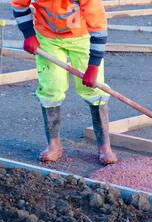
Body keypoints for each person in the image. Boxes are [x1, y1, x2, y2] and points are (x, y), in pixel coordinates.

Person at [11, 0, 118, 165]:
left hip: (80, 36)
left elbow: (98, 27)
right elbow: (19, 4)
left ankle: (104, 146)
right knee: (51, 88)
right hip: (47, 37)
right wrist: (28, 34)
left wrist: (93, 66)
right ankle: (54, 145)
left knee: (94, 90)